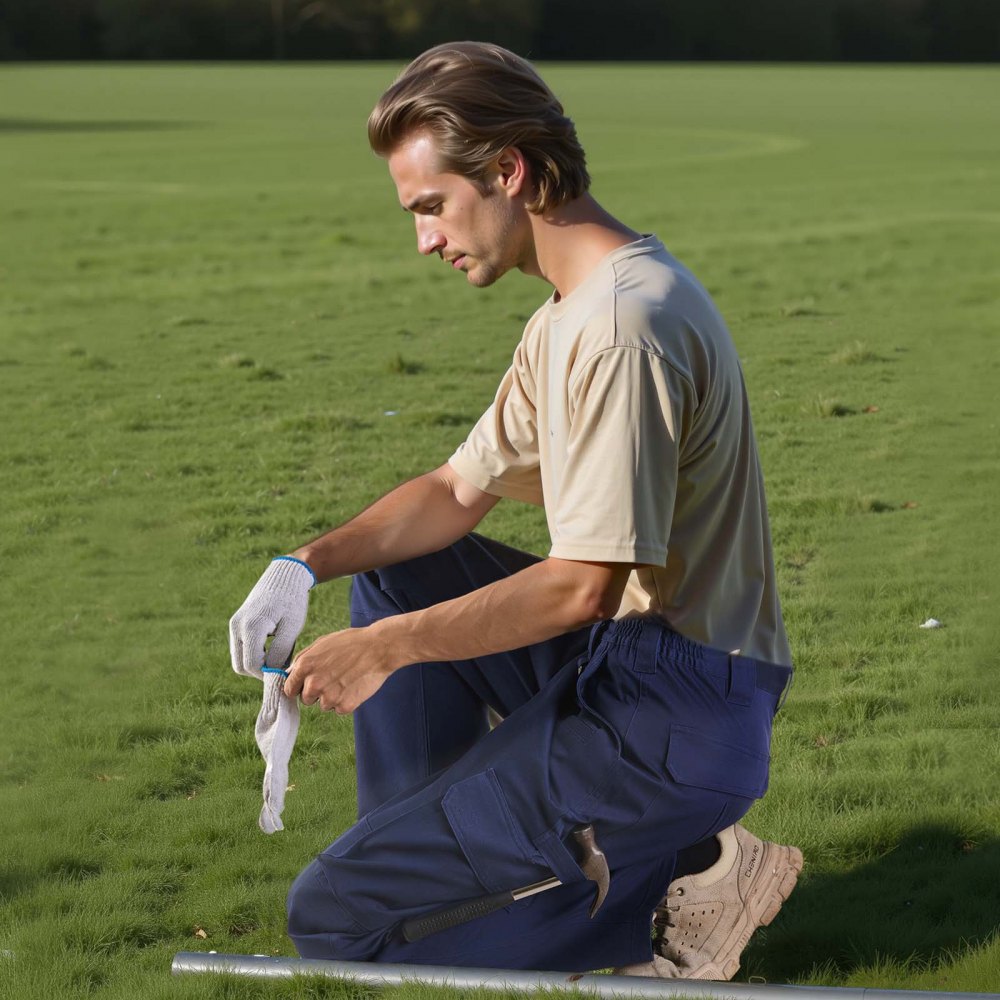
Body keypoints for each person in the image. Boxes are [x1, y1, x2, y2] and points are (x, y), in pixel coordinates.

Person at [228, 41, 802, 978]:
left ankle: (661, 913)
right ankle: (456, 858)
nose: (424, 239)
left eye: (430, 207)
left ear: (508, 170)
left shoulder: (622, 331)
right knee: (396, 568)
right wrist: (303, 563)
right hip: (643, 666)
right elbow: (457, 491)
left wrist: (386, 646)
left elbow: (581, 587)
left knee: (334, 924)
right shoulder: (573, 314)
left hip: (676, 715)